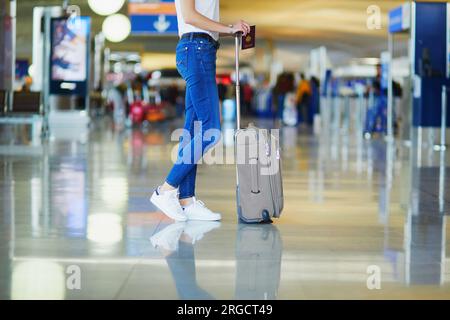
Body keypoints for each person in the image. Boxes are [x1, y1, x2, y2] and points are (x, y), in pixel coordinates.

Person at [150, 0, 251, 222]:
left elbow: (202, 23)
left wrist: (231, 30)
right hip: (195, 51)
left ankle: (186, 200)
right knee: (211, 129)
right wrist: (228, 27)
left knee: (193, 128)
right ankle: (166, 189)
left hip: (202, 50)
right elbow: (189, 16)